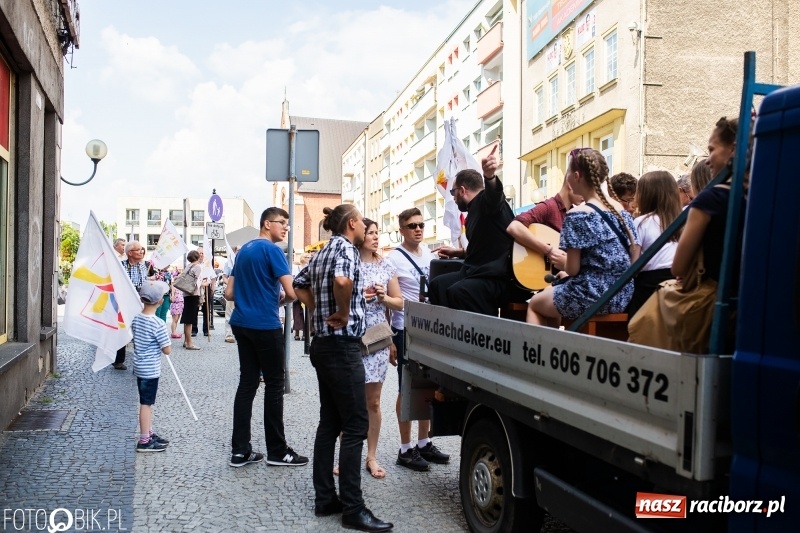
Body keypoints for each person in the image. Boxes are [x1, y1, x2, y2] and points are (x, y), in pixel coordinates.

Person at [293, 205, 393, 532]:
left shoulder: (322, 251)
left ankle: (326, 499)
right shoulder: (346, 249)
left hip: (323, 344)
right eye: (363, 221)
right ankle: (353, 508)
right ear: (352, 224)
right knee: (354, 425)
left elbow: (299, 283)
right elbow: (341, 279)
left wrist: (321, 309)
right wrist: (343, 309)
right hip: (342, 345)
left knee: (330, 421)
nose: (366, 226)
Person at [225, 208, 308, 468]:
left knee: (247, 383)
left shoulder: (244, 250)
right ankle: (277, 451)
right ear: (266, 223)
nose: (286, 228)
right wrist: (284, 297)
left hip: (241, 323)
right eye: (282, 223)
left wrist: (253, 296)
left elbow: (228, 293)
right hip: (264, 324)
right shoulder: (273, 251)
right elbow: (291, 291)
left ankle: (240, 451)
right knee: (274, 384)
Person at [527, 148, 640, 326]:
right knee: (556, 294)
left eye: (569, 172)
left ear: (577, 176)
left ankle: (543, 352)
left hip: (591, 295)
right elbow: (635, 256)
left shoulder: (578, 215)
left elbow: (572, 270)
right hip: (622, 295)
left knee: (535, 304)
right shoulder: (622, 212)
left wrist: (564, 265)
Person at [385, 208, 450, 472]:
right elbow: (390, 303)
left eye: (421, 224)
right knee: (406, 387)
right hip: (405, 330)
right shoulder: (393, 259)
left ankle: (424, 442)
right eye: (412, 226)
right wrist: (390, 338)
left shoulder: (430, 256)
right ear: (401, 229)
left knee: (429, 385)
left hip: (430, 329)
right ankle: (404, 448)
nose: (418, 229)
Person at [428, 152, 516, 316]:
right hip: (475, 272)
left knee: (460, 291)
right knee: (437, 285)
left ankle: (482, 336)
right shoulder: (472, 213)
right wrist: (459, 252)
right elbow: (486, 248)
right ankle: (448, 332)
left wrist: (490, 177)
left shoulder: (485, 202)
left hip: (496, 277)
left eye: (453, 193)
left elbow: (495, 197)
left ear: (462, 190)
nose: (453, 198)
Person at [673, 117, 742, 294]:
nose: (707, 160)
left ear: (733, 149)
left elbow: (678, 267)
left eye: (711, 149)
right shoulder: (762, 193)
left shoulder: (710, 199)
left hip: (717, 301)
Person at [358, 218, 403, 479]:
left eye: (377, 233)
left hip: (376, 338)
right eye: (370, 233)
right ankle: (347, 453)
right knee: (351, 401)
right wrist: (357, 297)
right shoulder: (350, 262)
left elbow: (400, 303)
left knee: (373, 402)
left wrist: (384, 297)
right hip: (352, 336)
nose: (375, 237)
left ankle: (371, 456)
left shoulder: (386, 266)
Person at [627, 171, 682, 317]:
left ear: (646, 195)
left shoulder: (640, 222)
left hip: (648, 287)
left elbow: (634, 265)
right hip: (677, 283)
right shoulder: (682, 221)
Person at [507, 172, 584, 271]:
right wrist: (549, 251)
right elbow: (514, 227)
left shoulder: (575, 215)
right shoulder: (549, 207)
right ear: (570, 183)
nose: (585, 195)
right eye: (583, 188)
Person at [131, 280, 172, 453]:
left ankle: (148, 431)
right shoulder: (158, 324)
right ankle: (144, 439)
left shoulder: (135, 318)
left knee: (148, 402)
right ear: (160, 302)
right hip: (150, 369)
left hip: (139, 366)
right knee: (146, 404)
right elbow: (167, 350)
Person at [114, 241, 155, 370]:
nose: (141, 252)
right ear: (130, 253)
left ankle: (140, 359)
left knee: (140, 330)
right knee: (123, 330)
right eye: (138, 250)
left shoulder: (144, 266)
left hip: (140, 301)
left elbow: (144, 282)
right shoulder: (121, 266)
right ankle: (119, 360)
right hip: (125, 302)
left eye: (141, 250)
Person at [180, 250, 208, 350]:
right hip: (193, 293)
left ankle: (185, 340)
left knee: (186, 318)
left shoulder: (188, 266)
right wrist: (205, 283)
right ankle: (189, 343)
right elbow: (197, 283)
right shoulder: (197, 267)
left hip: (186, 293)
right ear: (197, 257)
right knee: (190, 319)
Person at [193, 248, 215, 337]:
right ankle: (194, 329)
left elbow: (213, 277)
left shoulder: (207, 265)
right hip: (197, 288)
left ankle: (206, 329)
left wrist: (213, 287)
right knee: (195, 309)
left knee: (206, 310)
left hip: (206, 287)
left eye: (202, 253)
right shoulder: (194, 265)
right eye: (199, 253)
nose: (201, 255)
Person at [223, 246, 239, 343]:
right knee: (229, 313)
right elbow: (224, 277)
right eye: (238, 250)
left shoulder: (246, 262)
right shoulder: (228, 263)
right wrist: (230, 283)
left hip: (242, 290)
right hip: (232, 290)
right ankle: (228, 334)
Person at [169, 272, 184, 339]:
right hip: (176, 303)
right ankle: (173, 332)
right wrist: (172, 297)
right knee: (174, 319)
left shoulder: (181, 286)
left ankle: (174, 331)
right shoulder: (174, 285)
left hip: (180, 303)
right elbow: (172, 294)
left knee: (177, 319)